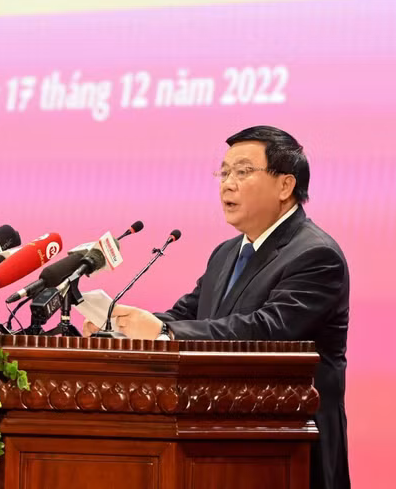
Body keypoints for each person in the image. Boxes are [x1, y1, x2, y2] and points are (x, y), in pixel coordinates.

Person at [84, 125, 351, 489]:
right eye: (224, 172)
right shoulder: (227, 253)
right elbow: (188, 315)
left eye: (243, 171)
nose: (227, 183)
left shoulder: (315, 255)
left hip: (289, 447)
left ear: (285, 186)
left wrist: (165, 332)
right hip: (220, 440)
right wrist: (121, 327)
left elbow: (266, 331)